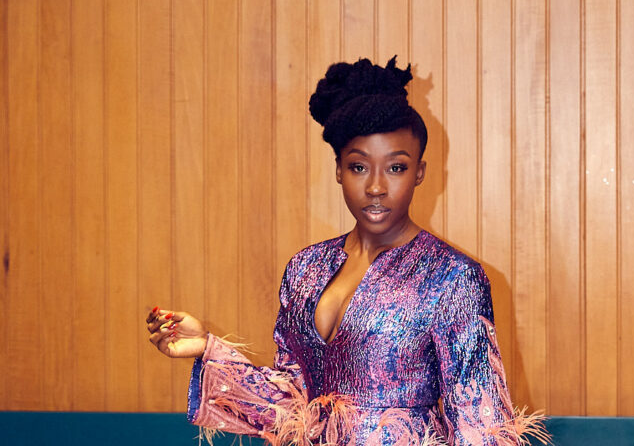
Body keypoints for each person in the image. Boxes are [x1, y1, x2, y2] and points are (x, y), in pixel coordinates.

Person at [146, 57, 549, 446]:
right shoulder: (306, 268)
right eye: (359, 167)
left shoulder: (453, 278)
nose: (376, 187)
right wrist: (207, 348)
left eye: (396, 167)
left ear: (420, 173)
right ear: (339, 169)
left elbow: (481, 426)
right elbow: (290, 406)